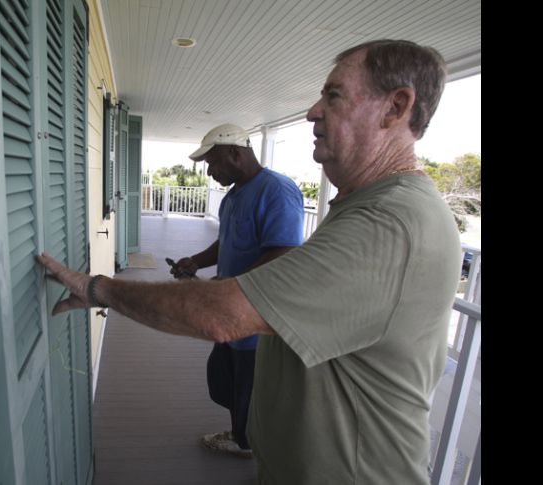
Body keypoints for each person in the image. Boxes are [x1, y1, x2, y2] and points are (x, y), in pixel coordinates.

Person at [37, 39, 461, 484]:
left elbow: (227, 313)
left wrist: (97, 288)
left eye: (333, 95)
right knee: (228, 387)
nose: (313, 111)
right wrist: (202, 268)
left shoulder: (393, 223)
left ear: (395, 107)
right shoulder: (362, 206)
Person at [169, 123, 304, 458]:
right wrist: (195, 262)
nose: (210, 172)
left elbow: (284, 253)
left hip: (259, 320)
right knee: (227, 383)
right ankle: (241, 436)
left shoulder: (277, 190)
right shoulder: (232, 198)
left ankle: (256, 449)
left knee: (252, 390)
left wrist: (232, 285)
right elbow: (226, 241)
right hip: (231, 313)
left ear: (235, 153)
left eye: (213, 163)